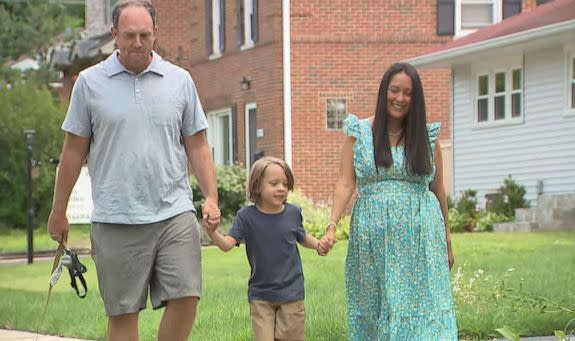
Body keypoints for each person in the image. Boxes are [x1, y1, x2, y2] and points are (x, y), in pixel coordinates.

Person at [46, 1, 220, 340]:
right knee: (123, 313)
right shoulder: (90, 84)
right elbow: (72, 152)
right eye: (129, 36)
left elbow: (197, 144)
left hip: (174, 212)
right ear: (114, 35)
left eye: (144, 35)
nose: (137, 43)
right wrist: (58, 211)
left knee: (186, 296)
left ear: (156, 34)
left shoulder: (180, 81)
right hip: (116, 218)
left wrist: (211, 195)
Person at [322, 62, 457, 339]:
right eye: (394, 90)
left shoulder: (427, 140)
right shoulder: (359, 133)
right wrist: (332, 224)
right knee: (376, 304)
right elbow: (346, 183)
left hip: (421, 238)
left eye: (407, 93)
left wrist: (447, 238)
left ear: (415, 98)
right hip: (373, 239)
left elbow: (438, 189)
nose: (400, 98)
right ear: (384, 91)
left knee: (424, 306)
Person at [204, 156, 330, 341]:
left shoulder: (293, 213)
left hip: (292, 293)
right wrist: (213, 232)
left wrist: (318, 245)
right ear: (257, 186)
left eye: (285, 184)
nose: (281, 188)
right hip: (260, 295)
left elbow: (301, 237)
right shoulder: (245, 217)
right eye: (274, 183)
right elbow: (227, 245)